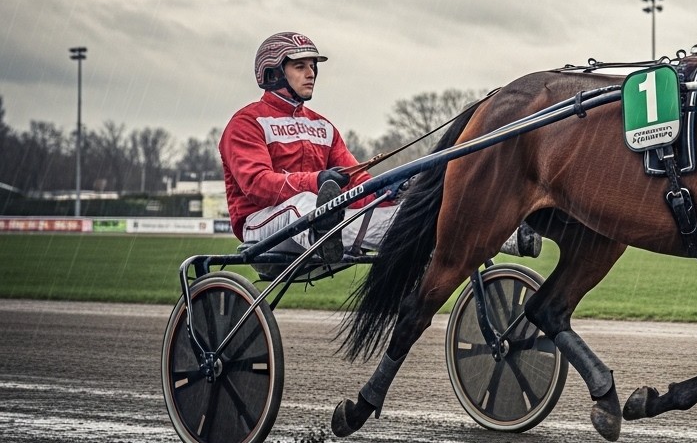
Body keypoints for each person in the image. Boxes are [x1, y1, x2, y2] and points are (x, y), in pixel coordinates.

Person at [220, 32, 537, 279]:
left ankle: (506, 235)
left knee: (409, 214)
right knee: (305, 204)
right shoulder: (246, 123)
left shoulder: (322, 126)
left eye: (313, 66)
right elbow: (257, 184)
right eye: (300, 66)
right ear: (274, 72)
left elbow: (354, 178)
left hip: (321, 218)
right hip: (263, 226)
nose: (311, 73)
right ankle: (325, 233)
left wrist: (389, 190)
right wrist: (316, 181)